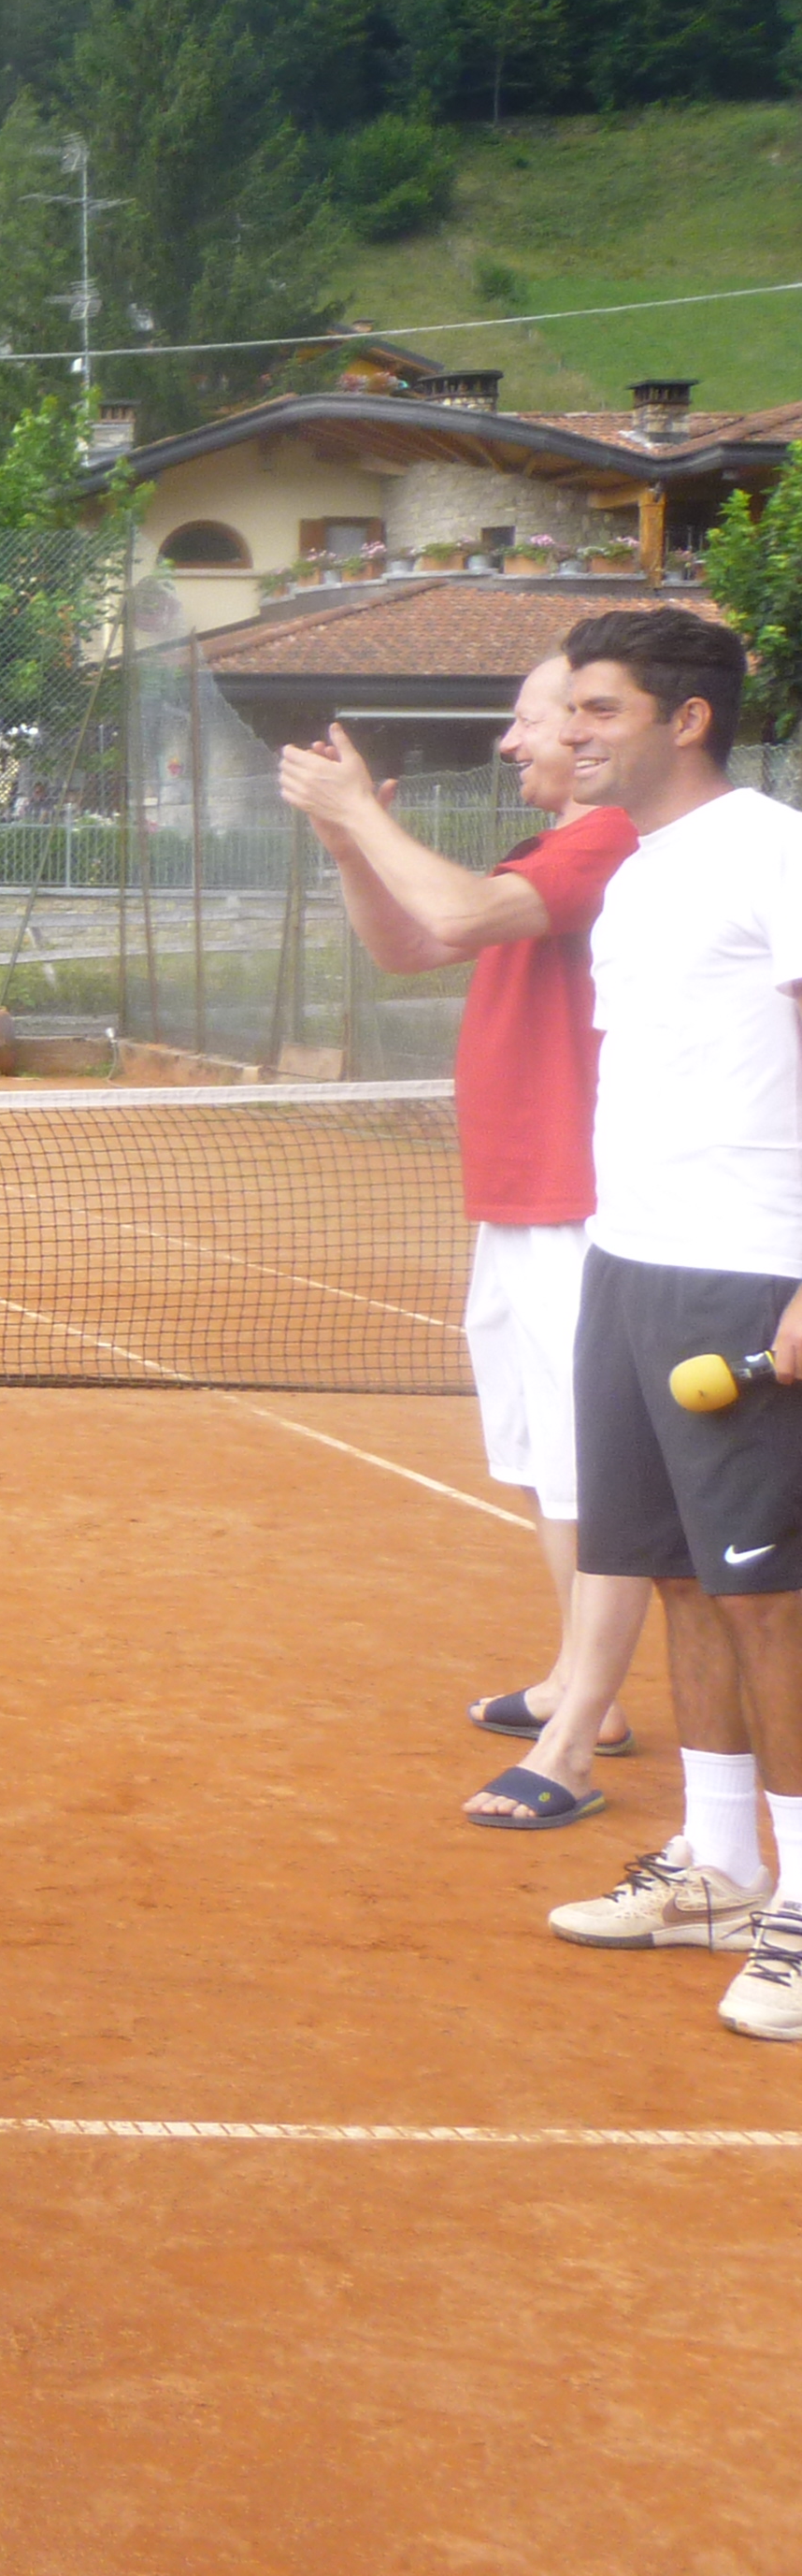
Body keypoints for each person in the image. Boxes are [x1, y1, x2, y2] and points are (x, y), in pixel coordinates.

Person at [277, 665, 647, 1826]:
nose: (509, 743)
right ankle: (579, 1682)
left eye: (527, 720)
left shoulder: (607, 839)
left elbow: (459, 916)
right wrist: (350, 846)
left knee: (592, 1469)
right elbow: (408, 944)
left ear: (589, 730)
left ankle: (579, 1734)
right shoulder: (549, 855)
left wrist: (361, 809)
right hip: (520, 1202)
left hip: (584, 1205)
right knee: (544, 1460)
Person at [533, 610, 802, 2032]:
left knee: (770, 1598)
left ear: (685, 719)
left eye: (599, 709)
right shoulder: (637, 875)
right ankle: (721, 1866)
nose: (571, 732)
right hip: (630, 1262)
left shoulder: (773, 849)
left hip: (748, 1268)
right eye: (569, 709)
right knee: (683, 1578)